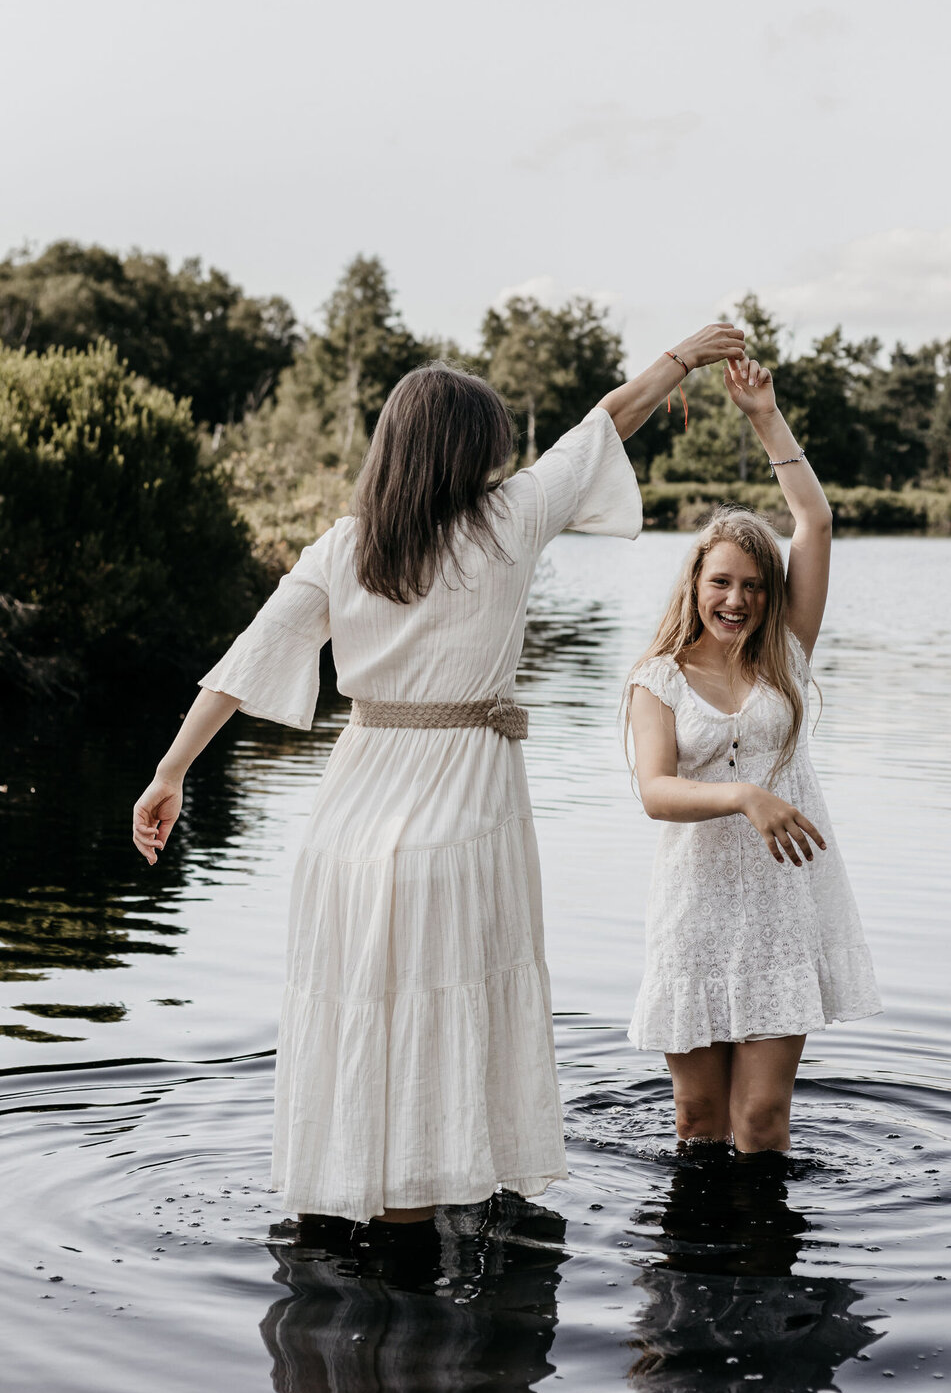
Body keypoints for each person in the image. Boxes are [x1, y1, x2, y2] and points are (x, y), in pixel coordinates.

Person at [132, 324, 745, 1227]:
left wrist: (169, 770)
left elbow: (243, 662)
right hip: (462, 815)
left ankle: (362, 1209)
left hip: (350, 823)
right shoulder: (509, 524)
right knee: (448, 1012)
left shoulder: (345, 546)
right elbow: (609, 421)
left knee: (361, 1015)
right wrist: (684, 360)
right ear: (471, 452)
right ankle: (435, 1214)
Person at [625, 352, 880, 1155]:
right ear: (695, 584)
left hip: (780, 907)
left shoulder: (786, 657)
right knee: (699, 1124)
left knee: (761, 1120)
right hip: (696, 909)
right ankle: (698, 1273)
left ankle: (763, 1270)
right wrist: (744, 796)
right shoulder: (656, 678)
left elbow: (815, 525)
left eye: (755, 586)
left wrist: (764, 418)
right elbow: (656, 791)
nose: (737, 599)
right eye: (722, 582)